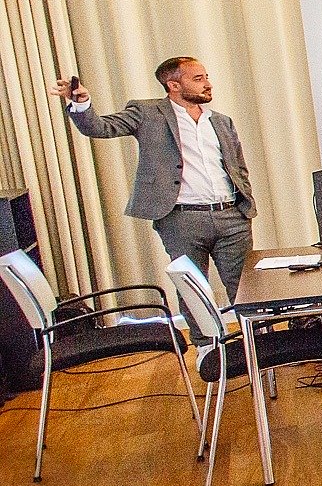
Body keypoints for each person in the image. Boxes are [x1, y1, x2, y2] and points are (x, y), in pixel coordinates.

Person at [57, 59, 255, 306]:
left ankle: (257, 340)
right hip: (182, 219)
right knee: (193, 289)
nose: (208, 84)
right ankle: (205, 344)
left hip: (232, 217)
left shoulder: (221, 121)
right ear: (173, 85)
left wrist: (244, 206)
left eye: (206, 77)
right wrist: (81, 103)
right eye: (198, 79)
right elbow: (100, 128)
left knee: (247, 288)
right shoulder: (147, 113)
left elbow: (238, 167)